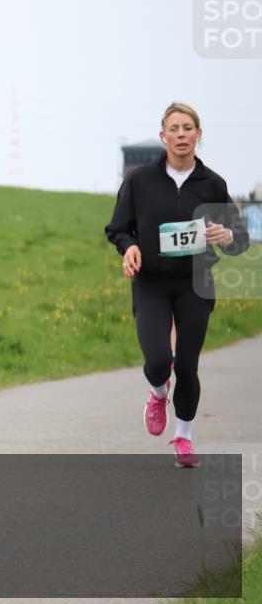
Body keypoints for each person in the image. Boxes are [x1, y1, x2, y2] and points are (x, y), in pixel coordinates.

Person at [106, 102, 248, 467]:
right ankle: (157, 393)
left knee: (186, 365)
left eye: (188, 128)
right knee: (158, 361)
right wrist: (130, 247)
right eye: (175, 128)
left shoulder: (212, 183)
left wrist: (225, 233)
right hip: (151, 281)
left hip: (195, 282)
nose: (181, 134)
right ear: (163, 136)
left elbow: (240, 240)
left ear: (198, 135)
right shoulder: (139, 180)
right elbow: (118, 229)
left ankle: (184, 437)